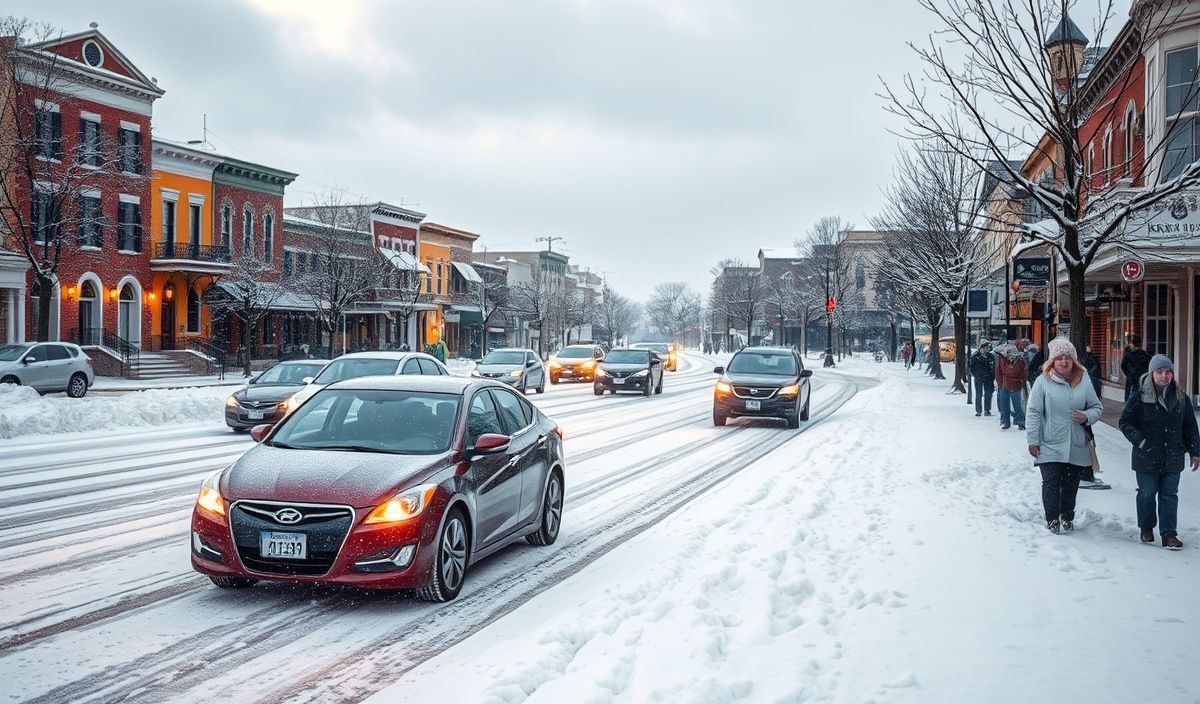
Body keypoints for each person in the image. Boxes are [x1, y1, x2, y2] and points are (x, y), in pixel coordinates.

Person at [1118, 354, 1200, 549]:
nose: (1164, 375)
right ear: (1152, 373)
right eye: (1160, 371)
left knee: (1169, 495)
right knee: (1147, 493)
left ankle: (1169, 534)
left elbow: (1190, 426)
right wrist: (1141, 441)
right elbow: (1125, 421)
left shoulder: (1181, 397)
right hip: (1146, 454)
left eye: (1168, 371)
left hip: (1173, 454)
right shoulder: (1140, 396)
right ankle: (1146, 527)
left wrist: (1195, 451)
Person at [1026, 338, 1104, 534]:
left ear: (1074, 360)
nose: (1063, 361)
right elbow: (1033, 411)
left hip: (1076, 443)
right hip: (1049, 442)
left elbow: (1097, 407)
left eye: (1067, 357)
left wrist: (1087, 416)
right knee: (1051, 482)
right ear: (1052, 361)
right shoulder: (1042, 381)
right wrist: (1033, 440)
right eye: (1059, 358)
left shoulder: (1084, 379)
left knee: (1070, 485)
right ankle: (1052, 519)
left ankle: (1067, 516)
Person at [994, 343, 1027, 430]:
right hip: (1004, 384)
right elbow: (998, 372)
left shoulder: (1020, 361)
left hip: (1015, 385)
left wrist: (1020, 381)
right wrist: (999, 383)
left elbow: (1024, 374)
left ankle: (1020, 421)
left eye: (1008, 352)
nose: (1007, 354)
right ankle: (1005, 422)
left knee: (1017, 405)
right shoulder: (1002, 359)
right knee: (1004, 405)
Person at [969, 341, 996, 417]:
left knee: (988, 394)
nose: (986, 350)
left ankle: (987, 410)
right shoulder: (976, 356)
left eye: (987, 348)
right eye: (985, 348)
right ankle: (978, 410)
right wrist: (975, 375)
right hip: (979, 378)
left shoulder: (991, 356)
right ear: (981, 348)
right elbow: (971, 367)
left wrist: (993, 376)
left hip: (989, 378)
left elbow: (994, 367)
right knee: (979, 394)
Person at [1120, 334, 1151, 402]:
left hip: (1131, 378)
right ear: (1140, 344)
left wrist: (1128, 374)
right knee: (1140, 397)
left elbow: (1123, 366)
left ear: (1133, 344)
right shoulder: (1145, 355)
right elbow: (1149, 367)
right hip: (1141, 379)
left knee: (1129, 397)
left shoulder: (1128, 355)